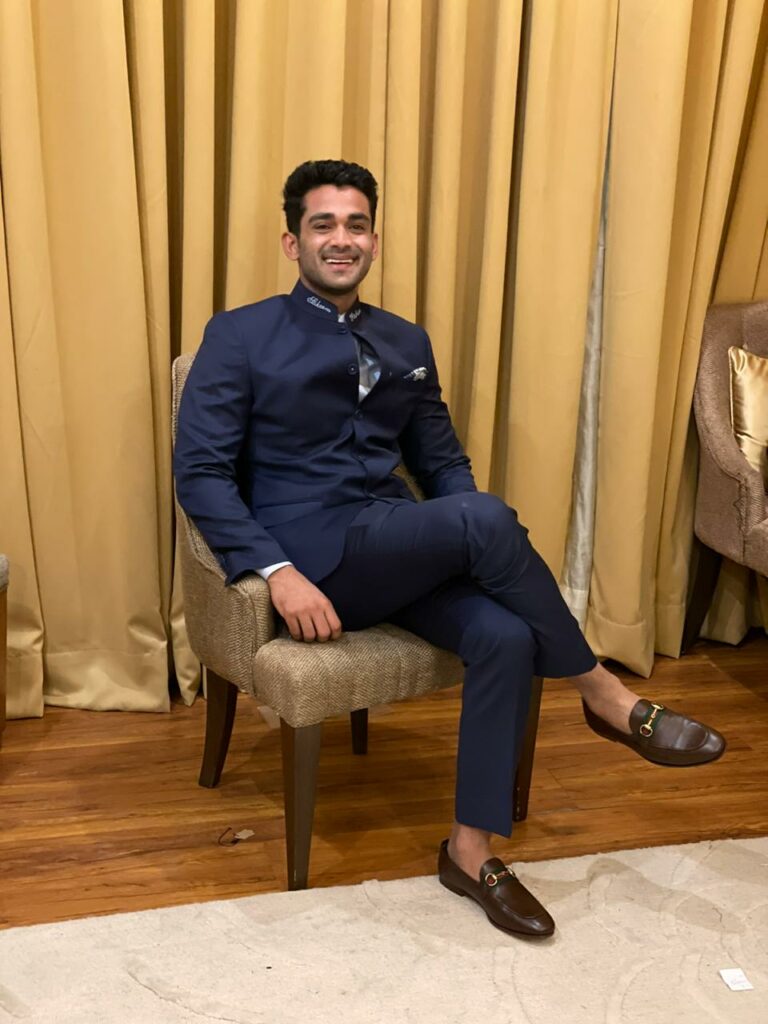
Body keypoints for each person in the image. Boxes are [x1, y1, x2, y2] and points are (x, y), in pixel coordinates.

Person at [174, 159, 726, 938]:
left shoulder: (406, 340)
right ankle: (602, 693)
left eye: (357, 224)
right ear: (293, 242)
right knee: (484, 519)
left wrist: (462, 533)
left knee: (503, 633)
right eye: (323, 225)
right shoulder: (239, 335)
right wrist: (278, 572)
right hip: (314, 559)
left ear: (374, 239)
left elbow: (439, 461)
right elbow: (199, 474)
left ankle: (470, 852)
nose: (342, 238)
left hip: (392, 542)